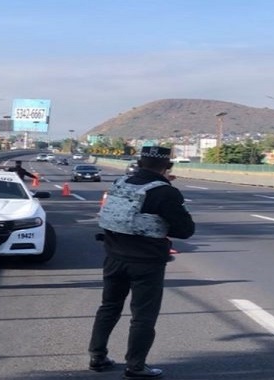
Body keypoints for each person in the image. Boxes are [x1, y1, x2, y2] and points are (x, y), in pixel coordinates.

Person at [88, 146, 195, 379]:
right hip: (147, 263)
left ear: (139, 162)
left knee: (109, 307)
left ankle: (97, 356)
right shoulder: (165, 192)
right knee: (143, 315)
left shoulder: (120, 183)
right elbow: (185, 230)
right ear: (168, 167)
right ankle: (135, 365)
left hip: (114, 256)